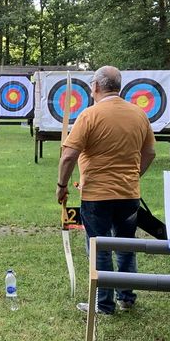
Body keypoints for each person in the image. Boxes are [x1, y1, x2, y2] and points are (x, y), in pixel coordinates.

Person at [56, 65, 156, 315]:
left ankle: (103, 303)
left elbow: (68, 156)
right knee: (125, 244)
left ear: (96, 87)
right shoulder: (139, 114)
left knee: (98, 247)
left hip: (97, 196)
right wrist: (134, 175)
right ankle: (127, 297)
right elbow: (150, 152)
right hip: (128, 194)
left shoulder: (90, 115)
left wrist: (61, 186)